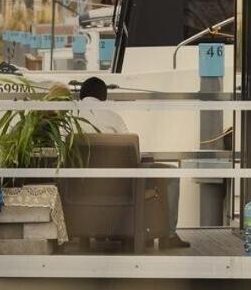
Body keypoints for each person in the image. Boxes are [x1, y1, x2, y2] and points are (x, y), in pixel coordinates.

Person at [77, 78, 189, 249]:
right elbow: (132, 151)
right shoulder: (112, 117)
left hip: (82, 189)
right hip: (121, 188)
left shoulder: (69, 118)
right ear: (103, 97)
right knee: (172, 175)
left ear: (81, 95)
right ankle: (169, 236)